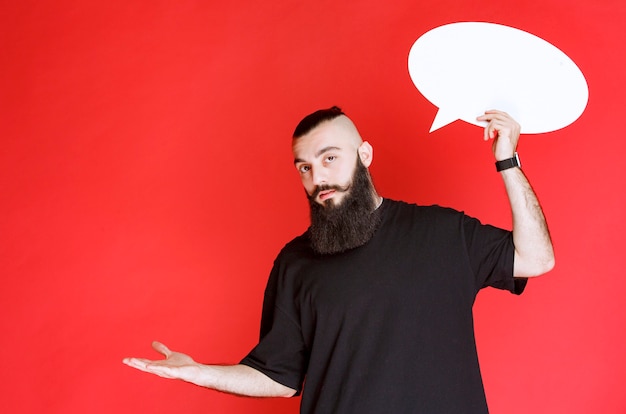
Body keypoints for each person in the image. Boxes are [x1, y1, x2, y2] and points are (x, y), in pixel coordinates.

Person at [123, 107, 554, 413]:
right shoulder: (295, 262)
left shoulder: (442, 232)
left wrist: (508, 161)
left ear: (364, 156)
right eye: (305, 168)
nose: (318, 178)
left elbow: (536, 259)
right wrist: (198, 373)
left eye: (330, 158)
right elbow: (279, 377)